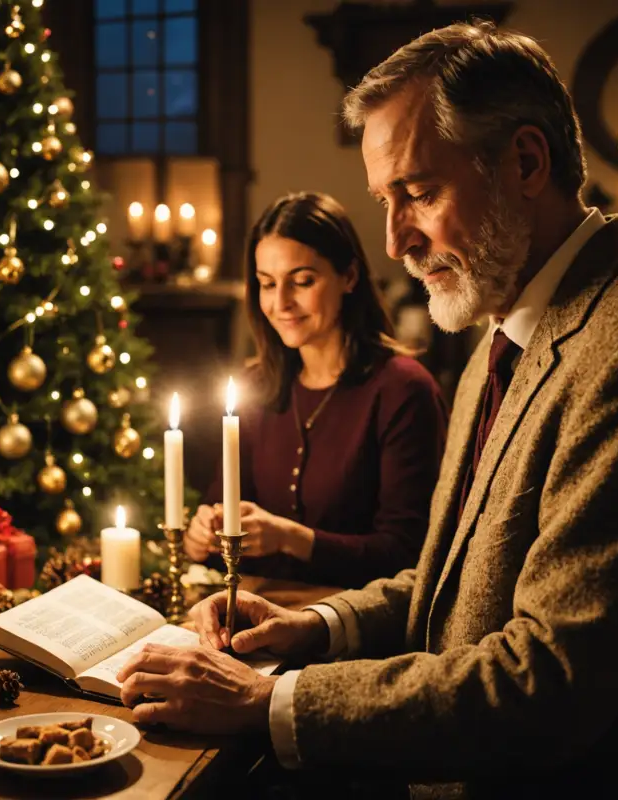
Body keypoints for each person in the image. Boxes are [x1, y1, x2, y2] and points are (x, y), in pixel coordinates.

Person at [116, 21, 618, 799]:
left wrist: (265, 700)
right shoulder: (500, 331)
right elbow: (445, 582)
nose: (395, 238)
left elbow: (547, 681)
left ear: (526, 162)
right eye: (385, 200)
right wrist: (313, 625)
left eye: (418, 193)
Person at [185, 191, 447, 588]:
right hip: (255, 615)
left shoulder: (403, 390)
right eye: (267, 284)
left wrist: (291, 539)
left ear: (350, 276)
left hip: (354, 630)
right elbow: (218, 508)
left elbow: (408, 555)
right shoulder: (257, 387)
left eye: (302, 281)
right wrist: (200, 532)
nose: (281, 302)